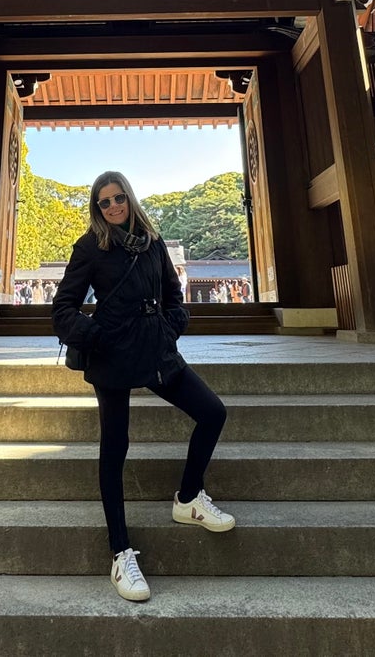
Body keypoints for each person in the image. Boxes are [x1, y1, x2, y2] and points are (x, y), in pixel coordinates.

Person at [52, 171, 233, 603]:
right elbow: (62, 309)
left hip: (155, 350)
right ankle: (120, 552)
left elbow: (174, 296)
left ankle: (188, 496)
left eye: (118, 198)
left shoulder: (153, 244)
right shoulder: (89, 248)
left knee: (212, 412)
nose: (113, 207)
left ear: (130, 199)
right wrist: (97, 336)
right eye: (103, 202)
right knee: (115, 447)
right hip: (112, 356)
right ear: (97, 209)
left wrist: (170, 329)